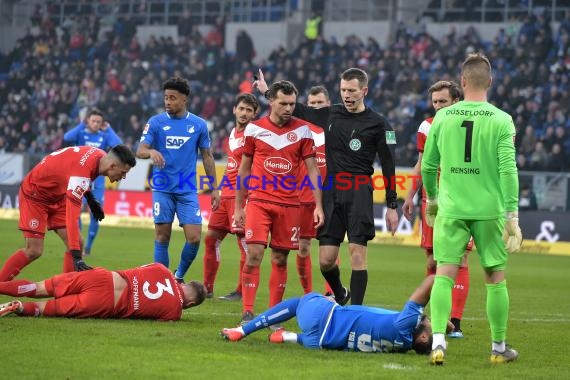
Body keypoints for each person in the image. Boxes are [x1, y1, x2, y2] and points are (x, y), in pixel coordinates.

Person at [254, 68, 399, 306]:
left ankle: (355, 314)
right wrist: (267, 91)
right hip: (330, 190)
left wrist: (392, 205)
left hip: (359, 190)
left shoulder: (381, 124)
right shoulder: (331, 114)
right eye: (343, 90)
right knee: (325, 261)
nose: (347, 95)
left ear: (364, 91)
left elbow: (389, 165)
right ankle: (340, 294)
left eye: (352, 91)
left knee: (356, 253)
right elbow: (300, 109)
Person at [421, 53, 522, 365]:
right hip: (488, 211)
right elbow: (509, 171)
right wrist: (512, 215)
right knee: (495, 277)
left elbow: (428, 166)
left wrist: (433, 200)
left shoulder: (442, 118)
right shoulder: (502, 120)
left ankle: (438, 342)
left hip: (451, 209)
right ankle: (498, 347)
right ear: (489, 82)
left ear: (462, 83)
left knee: (444, 276)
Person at [233, 80, 324, 324]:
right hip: (259, 201)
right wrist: (238, 207)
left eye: (292, 104)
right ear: (271, 101)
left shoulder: (304, 130)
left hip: (290, 205)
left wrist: (318, 205)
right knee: (254, 253)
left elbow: (313, 170)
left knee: (280, 258)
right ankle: (248, 311)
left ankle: (272, 315)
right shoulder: (253, 129)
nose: (288, 108)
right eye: (283, 103)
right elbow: (244, 170)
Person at [221, 275, 454, 355]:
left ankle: (241, 331)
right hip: (321, 343)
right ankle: (290, 337)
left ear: (423, 338)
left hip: (324, 318)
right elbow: (424, 325)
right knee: (316, 328)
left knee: (301, 301)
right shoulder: (403, 344)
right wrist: (442, 330)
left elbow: (432, 282)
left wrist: (447, 278)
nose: (432, 322)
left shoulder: (405, 324)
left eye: (432, 328)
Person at [0, 145, 136, 282]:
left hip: (57, 195)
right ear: (112, 166)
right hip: (35, 196)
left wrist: (91, 201)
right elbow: (72, 217)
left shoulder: (100, 156)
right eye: (123, 172)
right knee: (34, 250)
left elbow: (77, 171)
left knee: (77, 242)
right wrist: (77, 257)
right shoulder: (82, 174)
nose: (123, 177)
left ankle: (64, 291)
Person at [402, 80, 471, 339]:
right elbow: (421, 163)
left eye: (443, 101)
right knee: (432, 260)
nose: (439, 106)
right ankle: (438, 316)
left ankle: (456, 321)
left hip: (462, 200)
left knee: (460, 258)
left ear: (456, 100)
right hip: (432, 200)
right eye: (435, 102)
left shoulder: (468, 123)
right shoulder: (426, 126)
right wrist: (409, 196)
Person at [136, 76, 220, 284]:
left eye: (172, 98)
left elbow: (207, 156)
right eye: (166, 97)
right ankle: (161, 283)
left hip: (187, 189)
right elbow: (140, 150)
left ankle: (178, 276)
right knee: (162, 236)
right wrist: (151, 152)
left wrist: (214, 188)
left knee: (194, 237)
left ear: (184, 100)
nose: (168, 102)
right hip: (163, 188)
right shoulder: (155, 122)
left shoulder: (199, 125)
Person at [0, 263, 206, 321]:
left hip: (103, 277)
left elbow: (142, 269)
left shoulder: (162, 269)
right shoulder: (174, 312)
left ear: (183, 283)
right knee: (46, 308)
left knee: (38, 287)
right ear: (189, 304)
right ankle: (18, 308)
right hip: (106, 303)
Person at [202, 93, 259, 301]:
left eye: (249, 110)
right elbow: (232, 166)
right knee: (211, 239)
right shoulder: (233, 132)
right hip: (225, 195)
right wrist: (217, 190)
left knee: (244, 244)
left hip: (241, 197)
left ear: (255, 114)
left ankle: (241, 291)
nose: (244, 113)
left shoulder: (254, 135)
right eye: (241, 109)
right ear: (235, 109)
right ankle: (207, 288)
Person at [63, 108, 123, 256]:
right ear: (88, 121)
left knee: (95, 212)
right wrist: (81, 125)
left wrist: (109, 129)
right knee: (76, 210)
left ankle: (88, 246)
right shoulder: (81, 133)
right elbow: (66, 137)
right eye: (93, 121)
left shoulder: (104, 136)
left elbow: (119, 145)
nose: (96, 124)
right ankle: (78, 242)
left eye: (99, 122)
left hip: (98, 180)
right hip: (80, 177)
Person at [296, 85, 331, 295]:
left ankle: (331, 293)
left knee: (330, 247)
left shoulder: (335, 128)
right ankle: (308, 294)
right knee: (303, 247)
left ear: (328, 104)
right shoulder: (299, 130)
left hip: (329, 196)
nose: (316, 108)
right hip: (303, 196)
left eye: (320, 103)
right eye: (312, 104)